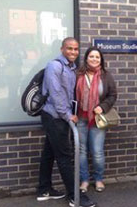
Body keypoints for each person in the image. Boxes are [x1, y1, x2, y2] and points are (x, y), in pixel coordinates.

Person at [37, 37, 96, 207]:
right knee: (64, 157)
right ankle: (74, 196)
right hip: (55, 117)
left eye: (76, 49)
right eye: (69, 48)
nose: (73, 52)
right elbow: (56, 94)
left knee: (49, 153)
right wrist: (67, 115)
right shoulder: (54, 66)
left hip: (58, 117)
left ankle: (44, 189)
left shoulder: (72, 68)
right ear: (62, 49)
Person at [76, 47, 117, 193]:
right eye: (91, 56)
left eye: (97, 57)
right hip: (80, 118)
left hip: (97, 120)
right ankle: (85, 180)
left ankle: (99, 179)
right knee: (81, 151)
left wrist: (103, 106)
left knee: (97, 151)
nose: (94, 59)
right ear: (86, 58)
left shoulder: (106, 76)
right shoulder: (78, 74)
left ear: (101, 60)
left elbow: (112, 95)